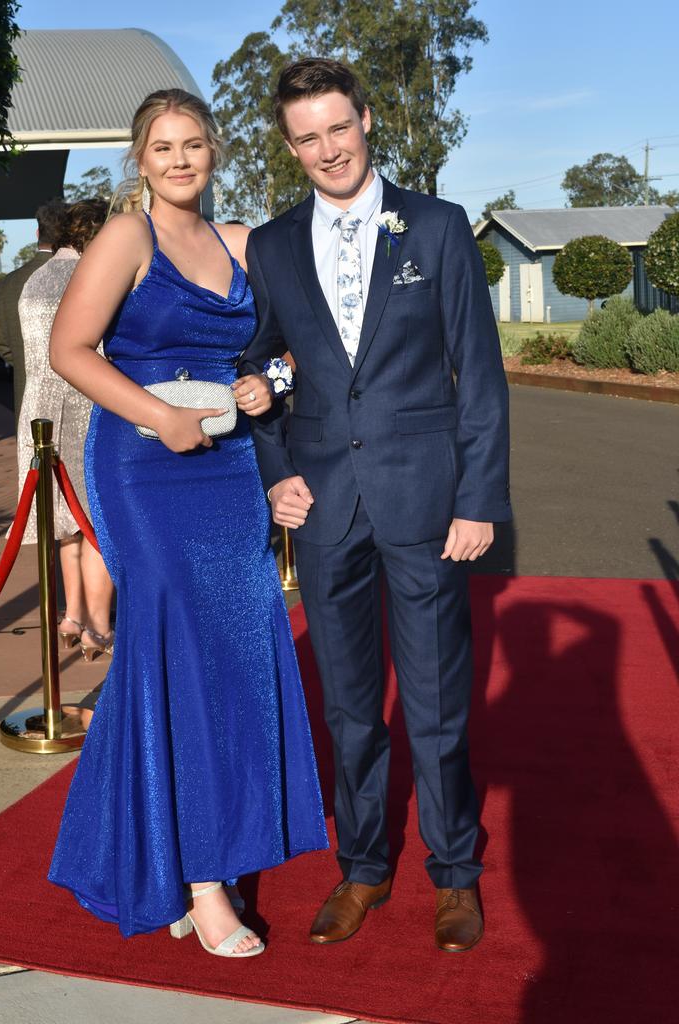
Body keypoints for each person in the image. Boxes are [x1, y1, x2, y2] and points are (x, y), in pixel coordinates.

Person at [238, 58, 512, 952]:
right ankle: (362, 869)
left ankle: (455, 874)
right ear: (290, 146)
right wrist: (274, 465)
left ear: (366, 120)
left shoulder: (436, 226)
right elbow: (266, 363)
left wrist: (477, 500)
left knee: (435, 705)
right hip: (321, 506)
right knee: (349, 707)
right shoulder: (273, 244)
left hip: (428, 504)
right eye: (307, 136)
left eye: (338, 128)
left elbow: (479, 375)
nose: (328, 149)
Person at [46, 89, 327, 956]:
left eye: (193, 144)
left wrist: (265, 384)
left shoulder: (245, 244)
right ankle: (204, 884)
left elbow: (296, 346)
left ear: (215, 154)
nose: (179, 159)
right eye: (162, 146)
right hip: (142, 467)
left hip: (230, 469)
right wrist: (159, 418)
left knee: (241, 653)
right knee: (178, 656)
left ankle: (176, 854)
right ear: (139, 159)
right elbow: (69, 349)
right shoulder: (126, 238)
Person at [15, 199, 114, 670]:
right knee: (97, 520)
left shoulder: (36, 280)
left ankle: (73, 615)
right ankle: (99, 622)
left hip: (38, 413)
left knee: (65, 525)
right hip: (87, 405)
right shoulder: (90, 278)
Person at [0, 199, 66, 425]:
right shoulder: (80, 276)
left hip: (26, 397)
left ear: (37, 233)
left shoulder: (7, 284)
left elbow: (4, 347)